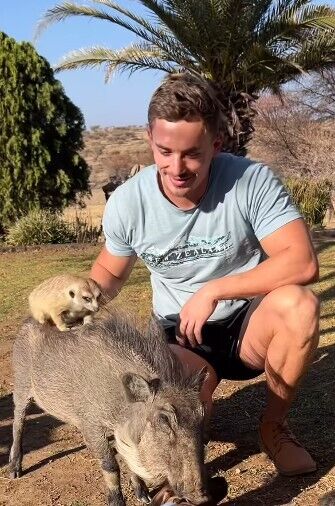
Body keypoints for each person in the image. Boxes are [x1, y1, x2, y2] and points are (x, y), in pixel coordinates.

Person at [90, 73, 320, 478]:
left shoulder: (250, 180)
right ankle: (170, 476)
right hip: (181, 337)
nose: (176, 168)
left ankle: (273, 427)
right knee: (173, 401)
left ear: (216, 145)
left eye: (192, 154)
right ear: (149, 139)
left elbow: (302, 261)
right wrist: (79, 301)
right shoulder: (128, 203)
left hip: (248, 326)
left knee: (299, 304)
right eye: (164, 151)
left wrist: (215, 289)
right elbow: (110, 270)